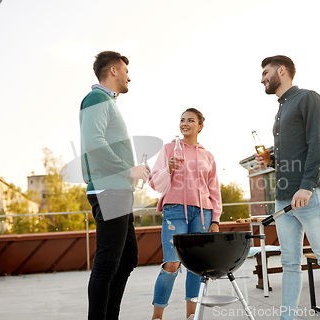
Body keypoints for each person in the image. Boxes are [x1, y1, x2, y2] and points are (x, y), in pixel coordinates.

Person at [257, 55, 320, 320]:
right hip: (284, 198)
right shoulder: (281, 108)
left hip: (308, 194)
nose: (262, 78)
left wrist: (307, 187)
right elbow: (293, 155)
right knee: (289, 263)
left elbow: (318, 145)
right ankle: (288, 317)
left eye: (266, 72)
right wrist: (271, 160)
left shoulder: (309, 98)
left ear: (282, 70)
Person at [80, 51, 150, 320]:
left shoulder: (107, 102)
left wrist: (131, 173)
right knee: (107, 263)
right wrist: (127, 169)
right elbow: (94, 143)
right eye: (125, 71)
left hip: (118, 190)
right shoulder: (97, 98)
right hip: (109, 190)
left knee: (127, 258)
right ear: (113, 71)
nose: (128, 77)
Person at [148, 108, 222, 320]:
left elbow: (214, 189)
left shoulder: (207, 155)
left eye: (191, 120)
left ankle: (191, 315)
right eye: (182, 120)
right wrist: (168, 169)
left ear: (200, 126)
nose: (185, 123)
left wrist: (215, 219)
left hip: (203, 213)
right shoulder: (169, 148)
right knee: (171, 264)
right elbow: (154, 181)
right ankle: (157, 317)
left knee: (197, 267)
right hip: (175, 210)